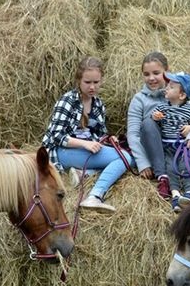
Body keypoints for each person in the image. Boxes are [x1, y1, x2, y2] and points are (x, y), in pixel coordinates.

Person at [41, 56, 130, 213]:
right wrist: (85, 144)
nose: (92, 87)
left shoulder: (98, 104)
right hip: (62, 152)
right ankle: (94, 196)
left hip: (85, 151)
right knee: (126, 158)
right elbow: (56, 136)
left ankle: (84, 173)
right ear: (79, 81)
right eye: (87, 82)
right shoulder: (67, 101)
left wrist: (107, 139)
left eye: (96, 82)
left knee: (122, 156)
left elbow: (99, 133)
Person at [152, 71, 190, 212]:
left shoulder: (189, 109)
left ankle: (189, 194)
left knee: (187, 167)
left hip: (182, 147)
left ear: (181, 95)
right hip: (167, 145)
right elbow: (154, 114)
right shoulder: (164, 106)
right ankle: (175, 196)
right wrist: (156, 116)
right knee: (170, 169)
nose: (166, 89)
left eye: (170, 87)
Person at [126, 51, 171, 201]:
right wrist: (143, 163)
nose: (151, 78)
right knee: (148, 122)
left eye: (156, 73)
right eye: (146, 74)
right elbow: (132, 134)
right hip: (152, 150)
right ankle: (162, 177)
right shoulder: (139, 99)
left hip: (171, 146)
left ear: (167, 71)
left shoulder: (177, 93)